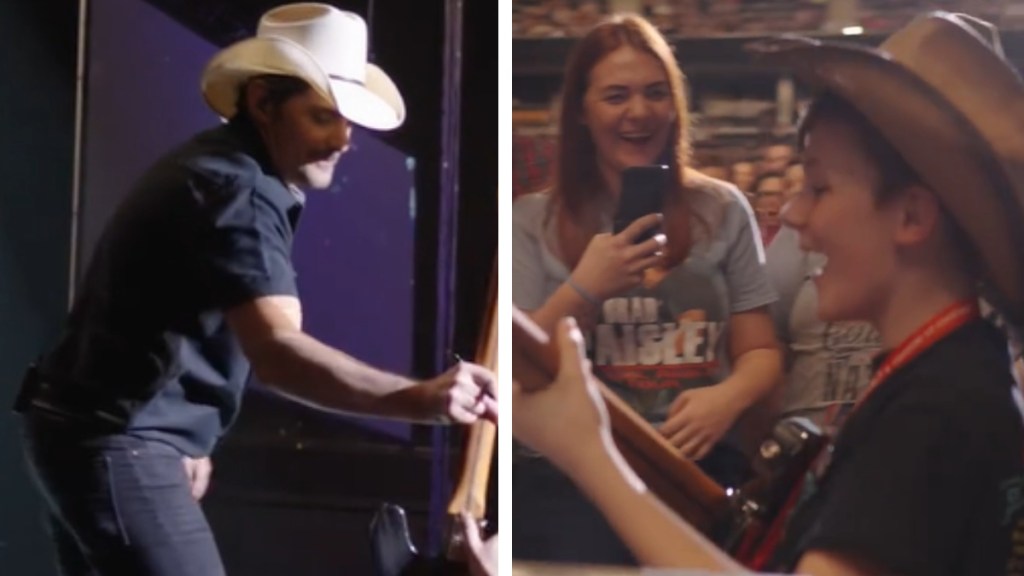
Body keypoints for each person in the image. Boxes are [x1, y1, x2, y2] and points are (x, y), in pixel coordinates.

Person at [512, 11, 1024, 576]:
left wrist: (591, 455)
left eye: (820, 187)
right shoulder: (948, 374)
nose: (794, 213)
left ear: (911, 215)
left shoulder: (936, 410)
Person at [12, 4, 497, 576]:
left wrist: (188, 441)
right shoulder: (237, 190)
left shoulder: (226, 171)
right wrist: (421, 400)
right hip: (118, 443)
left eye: (348, 119)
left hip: (87, 433)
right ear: (264, 103)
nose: (344, 138)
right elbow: (279, 355)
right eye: (323, 116)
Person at [511, 12, 781, 566]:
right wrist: (584, 289)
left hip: (695, 470)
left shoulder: (724, 209)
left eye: (656, 94)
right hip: (567, 478)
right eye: (616, 96)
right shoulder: (532, 220)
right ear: (582, 112)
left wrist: (724, 399)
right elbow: (514, 369)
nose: (639, 112)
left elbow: (762, 351)